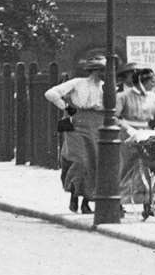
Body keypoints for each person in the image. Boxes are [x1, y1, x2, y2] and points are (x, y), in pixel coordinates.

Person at [45, 55, 108, 213]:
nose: (103, 73)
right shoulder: (78, 83)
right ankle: (74, 194)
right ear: (93, 70)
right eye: (101, 70)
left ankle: (86, 201)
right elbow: (51, 93)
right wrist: (67, 108)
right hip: (75, 123)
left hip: (97, 124)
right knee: (79, 160)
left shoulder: (106, 87)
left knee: (94, 161)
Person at [116, 63, 155, 216]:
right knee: (126, 168)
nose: (154, 84)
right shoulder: (123, 97)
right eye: (151, 81)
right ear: (141, 81)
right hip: (128, 134)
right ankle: (118, 203)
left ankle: (149, 203)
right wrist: (128, 128)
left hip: (147, 134)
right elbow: (115, 117)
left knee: (148, 168)